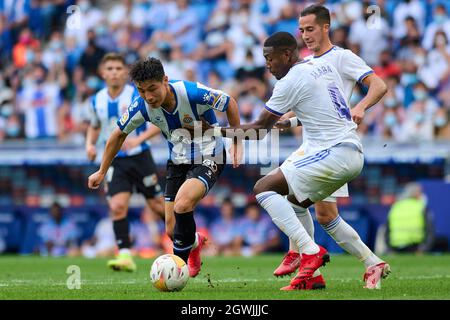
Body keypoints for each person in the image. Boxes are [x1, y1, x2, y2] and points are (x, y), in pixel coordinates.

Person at [192, 31, 385, 291]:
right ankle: (316, 276)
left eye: (270, 59)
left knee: (263, 188)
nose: (267, 65)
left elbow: (259, 129)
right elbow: (326, 109)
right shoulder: (320, 65)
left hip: (334, 152)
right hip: (344, 149)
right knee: (297, 203)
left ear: (286, 54)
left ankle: (308, 251)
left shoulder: (289, 81)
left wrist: (213, 131)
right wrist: (291, 121)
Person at [88, 57, 241, 277]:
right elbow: (118, 134)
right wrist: (102, 170)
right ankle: (194, 242)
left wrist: (236, 140)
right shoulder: (142, 106)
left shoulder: (192, 93)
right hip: (177, 161)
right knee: (171, 230)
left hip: (210, 155)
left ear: (165, 81)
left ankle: (178, 270)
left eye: (152, 89)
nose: (148, 96)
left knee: (183, 203)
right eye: (141, 91)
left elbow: (229, 102)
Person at [274, 5, 390, 290]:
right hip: (314, 144)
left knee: (287, 194)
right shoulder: (304, 63)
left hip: (333, 145)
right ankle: (370, 263)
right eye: (301, 30)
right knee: (324, 214)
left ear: (326, 27)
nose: (305, 35)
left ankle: (304, 260)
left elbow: (379, 85)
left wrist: (361, 106)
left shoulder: (342, 57)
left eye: (310, 29)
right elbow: (310, 109)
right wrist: (286, 122)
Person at [85, 53, 165, 272]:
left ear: (125, 73)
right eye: (109, 68)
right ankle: (125, 255)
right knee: (117, 206)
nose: (114, 72)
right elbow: (93, 125)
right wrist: (90, 145)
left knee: (158, 206)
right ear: (102, 73)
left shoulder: (139, 95)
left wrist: (138, 138)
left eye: (118, 68)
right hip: (115, 161)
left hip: (140, 157)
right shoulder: (96, 100)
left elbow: (160, 122)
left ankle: (184, 239)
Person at [386, 183, 434, 254]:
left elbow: (387, 230)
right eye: (420, 192)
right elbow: (430, 230)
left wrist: (390, 249)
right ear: (416, 194)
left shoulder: (395, 206)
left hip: (395, 248)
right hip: (415, 248)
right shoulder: (421, 207)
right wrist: (424, 249)